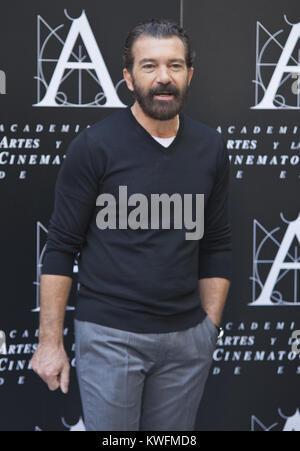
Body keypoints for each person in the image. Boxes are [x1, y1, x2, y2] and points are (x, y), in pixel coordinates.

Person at [30, 18, 232, 431]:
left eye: (175, 66)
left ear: (189, 74)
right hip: (110, 337)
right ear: (127, 77)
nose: (164, 78)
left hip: (186, 340)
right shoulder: (94, 146)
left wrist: (207, 329)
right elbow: (61, 248)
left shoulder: (210, 147)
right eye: (149, 66)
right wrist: (49, 342)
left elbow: (217, 244)